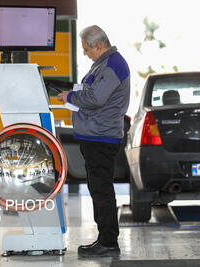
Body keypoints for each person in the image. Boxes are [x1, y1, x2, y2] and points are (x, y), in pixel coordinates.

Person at [57, 25, 130, 257]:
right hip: (96, 135)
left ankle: (108, 241)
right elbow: (93, 91)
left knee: (101, 190)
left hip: (102, 136)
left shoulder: (112, 65)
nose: (86, 53)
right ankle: (105, 238)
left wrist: (70, 97)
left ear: (99, 45)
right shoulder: (103, 63)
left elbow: (96, 98)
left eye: (87, 49)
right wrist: (75, 92)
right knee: (98, 189)